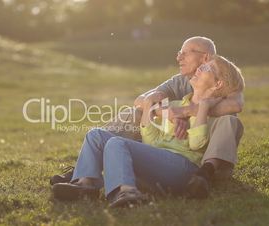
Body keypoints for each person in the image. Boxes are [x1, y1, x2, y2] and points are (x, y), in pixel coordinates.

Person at [50, 36, 244, 198]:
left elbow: (235, 106)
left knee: (230, 121)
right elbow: (144, 101)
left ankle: (204, 174)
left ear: (205, 58)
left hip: (189, 162)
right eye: (179, 52)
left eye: (187, 52)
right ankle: (85, 180)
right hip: (162, 154)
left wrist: (192, 110)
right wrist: (166, 112)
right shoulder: (180, 84)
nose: (179, 57)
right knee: (99, 133)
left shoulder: (226, 82)